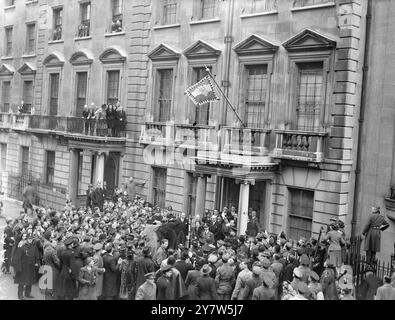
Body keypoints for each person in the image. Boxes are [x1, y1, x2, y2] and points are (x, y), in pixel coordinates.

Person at [12, 233, 40, 300]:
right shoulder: (22, 247)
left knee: (29, 281)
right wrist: (18, 268)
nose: (30, 240)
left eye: (31, 239)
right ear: (26, 239)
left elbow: (37, 256)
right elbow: (17, 258)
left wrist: (36, 263)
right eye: (29, 239)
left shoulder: (34, 247)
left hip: (31, 268)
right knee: (21, 282)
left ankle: (27, 294)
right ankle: (20, 295)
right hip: (23, 268)